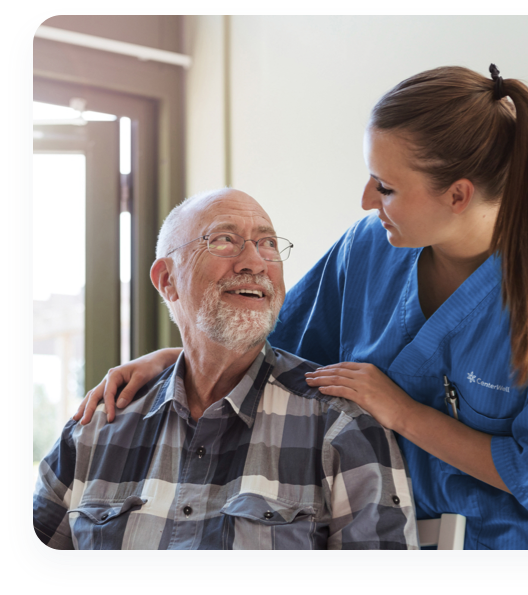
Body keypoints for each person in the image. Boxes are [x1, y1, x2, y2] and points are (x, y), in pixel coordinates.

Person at [75, 65, 528, 550]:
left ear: (458, 195)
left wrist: (401, 411)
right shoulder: (368, 248)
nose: (367, 200)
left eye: (387, 187)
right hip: (382, 534)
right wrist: (179, 359)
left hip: (511, 556)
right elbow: (272, 345)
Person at [34, 189, 419, 550]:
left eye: (268, 243)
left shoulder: (341, 425)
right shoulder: (95, 429)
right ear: (168, 280)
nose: (255, 262)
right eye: (224, 240)